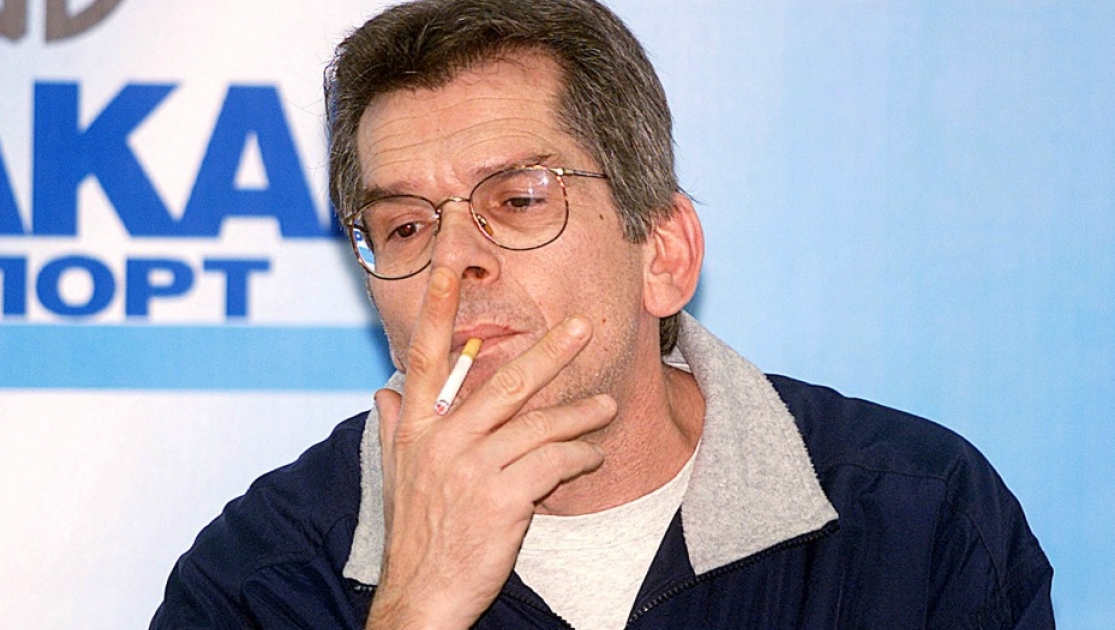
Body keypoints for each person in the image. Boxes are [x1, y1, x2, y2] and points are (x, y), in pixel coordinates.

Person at [150, 0, 1055, 628]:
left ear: (663, 253)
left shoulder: (915, 516)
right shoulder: (259, 576)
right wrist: (415, 609)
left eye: (517, 200)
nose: (452, 261)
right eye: (406, 226)